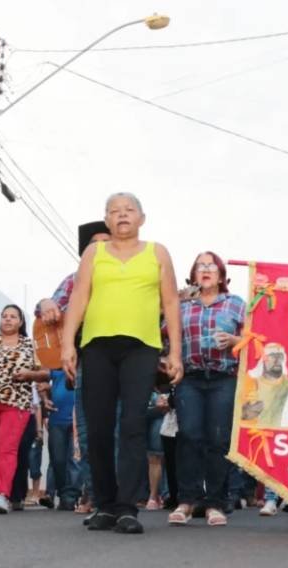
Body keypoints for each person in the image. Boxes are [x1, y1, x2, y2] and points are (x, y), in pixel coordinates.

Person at [61, 192, 183, 535]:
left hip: (141, 348)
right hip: (97, 346)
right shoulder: (94, 252)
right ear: (107, 219)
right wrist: (68, 344)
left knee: (131, 425)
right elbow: (79, 297)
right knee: (98, 428)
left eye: (129, 210)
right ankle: (104, 504)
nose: (122, 215)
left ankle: (128, 507)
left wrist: (175, 353)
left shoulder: (157, 252)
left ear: (142, 218)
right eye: (114, 211)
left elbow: (171, 302)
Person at [37, 221, 111, 518]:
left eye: (107, 241)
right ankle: (93, 495)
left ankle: (114, 498)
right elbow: (49, 309)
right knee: (87, 432)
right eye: (95, 243)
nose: (101, 247)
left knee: (114, 432)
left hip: (121, 361)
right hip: (84, 359)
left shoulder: (132, 280)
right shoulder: (75, 279)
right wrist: (45, 302)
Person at [165, 251, 244, 528]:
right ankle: (186, 500)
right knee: (188, 437)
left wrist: (235, 339)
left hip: (224, 377)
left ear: (221, 275)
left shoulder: (236, 304)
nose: (206, 269)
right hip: (190, 377)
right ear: (194, 275)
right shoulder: (182, 305)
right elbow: (162, 334)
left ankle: (215, 503)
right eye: (201, 265)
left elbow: (254, 338)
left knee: (219, 440)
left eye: (211, 265)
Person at [0, 305, 48, 514]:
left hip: (17, 402)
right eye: (4, 316)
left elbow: (46, 372)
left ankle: (3, 494)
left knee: (7, 447)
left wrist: (29, 375)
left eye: (13, 316)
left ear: (20, 322)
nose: (7, 320)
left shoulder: (30, 345)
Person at [43, 369, 78, 510]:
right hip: (56, 420)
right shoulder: (54, 368)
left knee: (75, 460)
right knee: (57, 460)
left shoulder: (83, 366)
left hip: (77, 420)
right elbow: (41, 383)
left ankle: (70, 496)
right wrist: (45, 399)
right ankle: (62, 492)